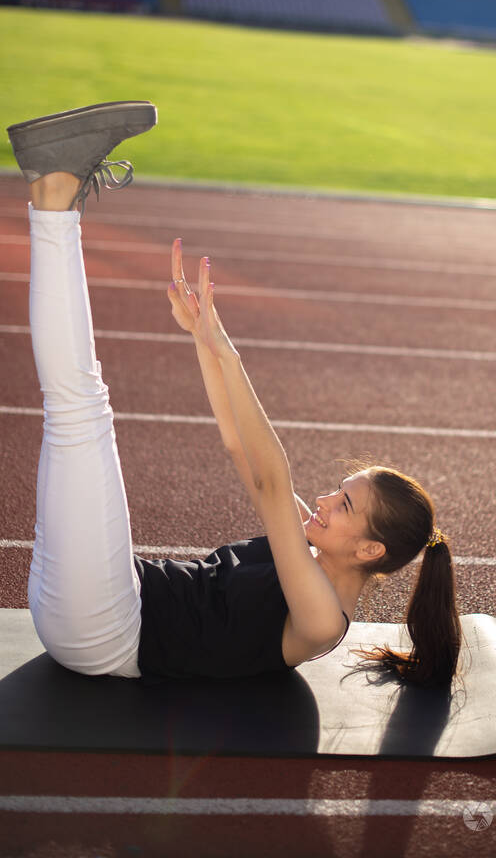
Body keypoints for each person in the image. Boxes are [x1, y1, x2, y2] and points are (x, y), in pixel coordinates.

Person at [8, 102, 461, 688]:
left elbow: (274, 481)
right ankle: (53, 191)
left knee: (80, 406)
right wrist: (201, 338)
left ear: (371, 552)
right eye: (338, 493)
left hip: (109, 628)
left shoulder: (322, 620)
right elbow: (238, 447)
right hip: (99, 593)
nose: (324, 501)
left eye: (344, 505)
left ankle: (56, 196)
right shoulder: (304, 545)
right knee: (76, 407)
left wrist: (229, 352)